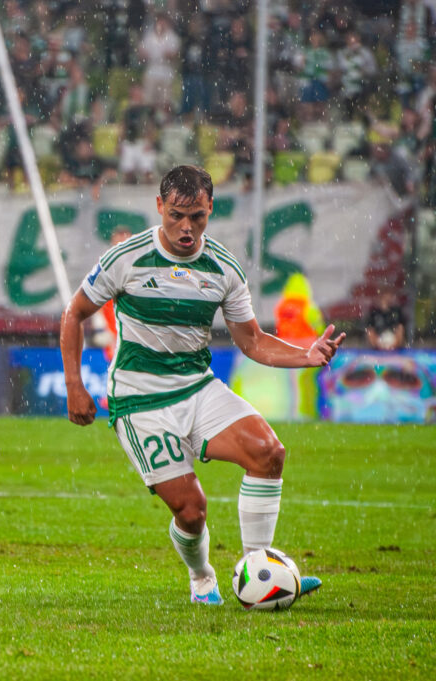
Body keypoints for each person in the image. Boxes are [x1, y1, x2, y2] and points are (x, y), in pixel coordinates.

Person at [59, 165, 344, 606]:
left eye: (197, 216)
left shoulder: (223, 269)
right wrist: (74, 385)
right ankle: (202, 576)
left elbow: (251, 341)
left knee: (269, 452)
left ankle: (259, 573)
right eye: (176, 216)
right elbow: (73, 313)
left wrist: (305, 355)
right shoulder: (126, 258)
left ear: (211, 208)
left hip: (197, 387)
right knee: (191, 511)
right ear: (159, 207)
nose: (186, 228)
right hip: (140, 401)